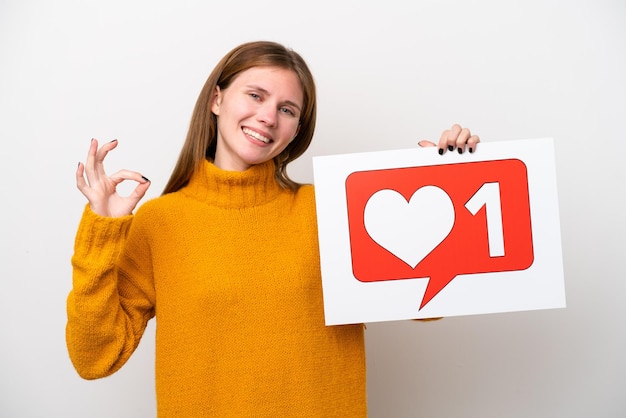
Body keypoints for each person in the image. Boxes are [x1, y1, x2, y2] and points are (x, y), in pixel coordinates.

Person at [66, 40, 480, 417]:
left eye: (287, 109)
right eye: (255, 95)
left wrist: (444, 183)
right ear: (216, 99)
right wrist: (103, 229)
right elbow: (95, 357)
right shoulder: (160, 222)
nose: (267, 116)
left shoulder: (331, 209)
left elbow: (429, 306)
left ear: (296, 129)